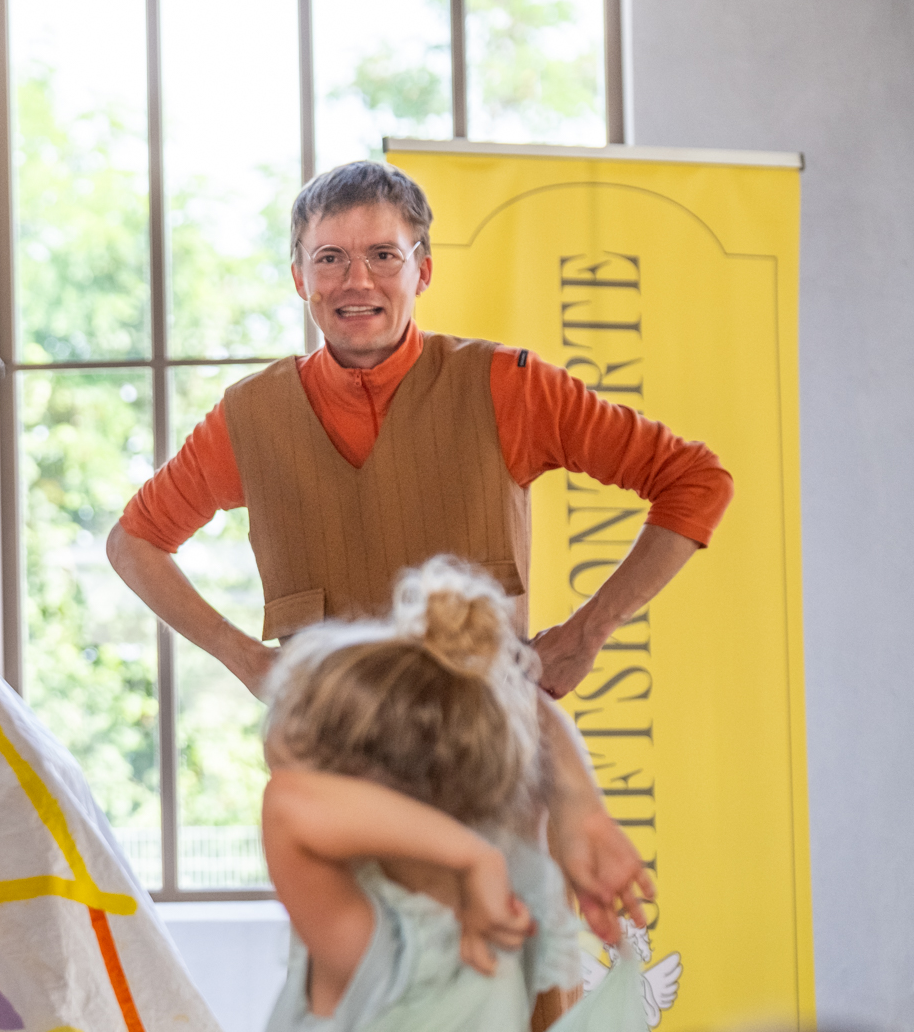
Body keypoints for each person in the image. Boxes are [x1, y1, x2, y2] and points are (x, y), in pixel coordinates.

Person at [106, 158, 734, 700]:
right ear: (300, 278)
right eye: (331, 258)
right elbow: (133, 543)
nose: (357, 281)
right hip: (330, 772)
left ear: (422, 270)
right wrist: (246, 660)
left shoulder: (509, 386)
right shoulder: (248, 418)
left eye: (383, 255)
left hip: (489, 771)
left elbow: (695, 481)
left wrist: (587, 632)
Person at [260, 557, 648, 1031]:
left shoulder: (376, 947)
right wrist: (580, 805)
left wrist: (473, 857)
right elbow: (518, 710)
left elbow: (288, 802)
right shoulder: (512, 901)